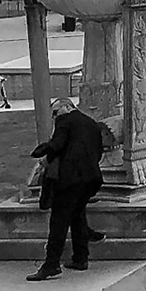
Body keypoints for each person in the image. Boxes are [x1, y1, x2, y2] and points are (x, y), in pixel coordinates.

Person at [26, 95, 105, 281]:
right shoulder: (91, 123)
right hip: (92, 178)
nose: (54, 117)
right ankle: (80, 257)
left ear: (67, 108)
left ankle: (51, 264)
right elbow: (98, 151)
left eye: (55, 112)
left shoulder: (65, 120)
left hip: (71, 179)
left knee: (58, 221)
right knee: (77, 214)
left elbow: (58, 143)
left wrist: (43, 150)